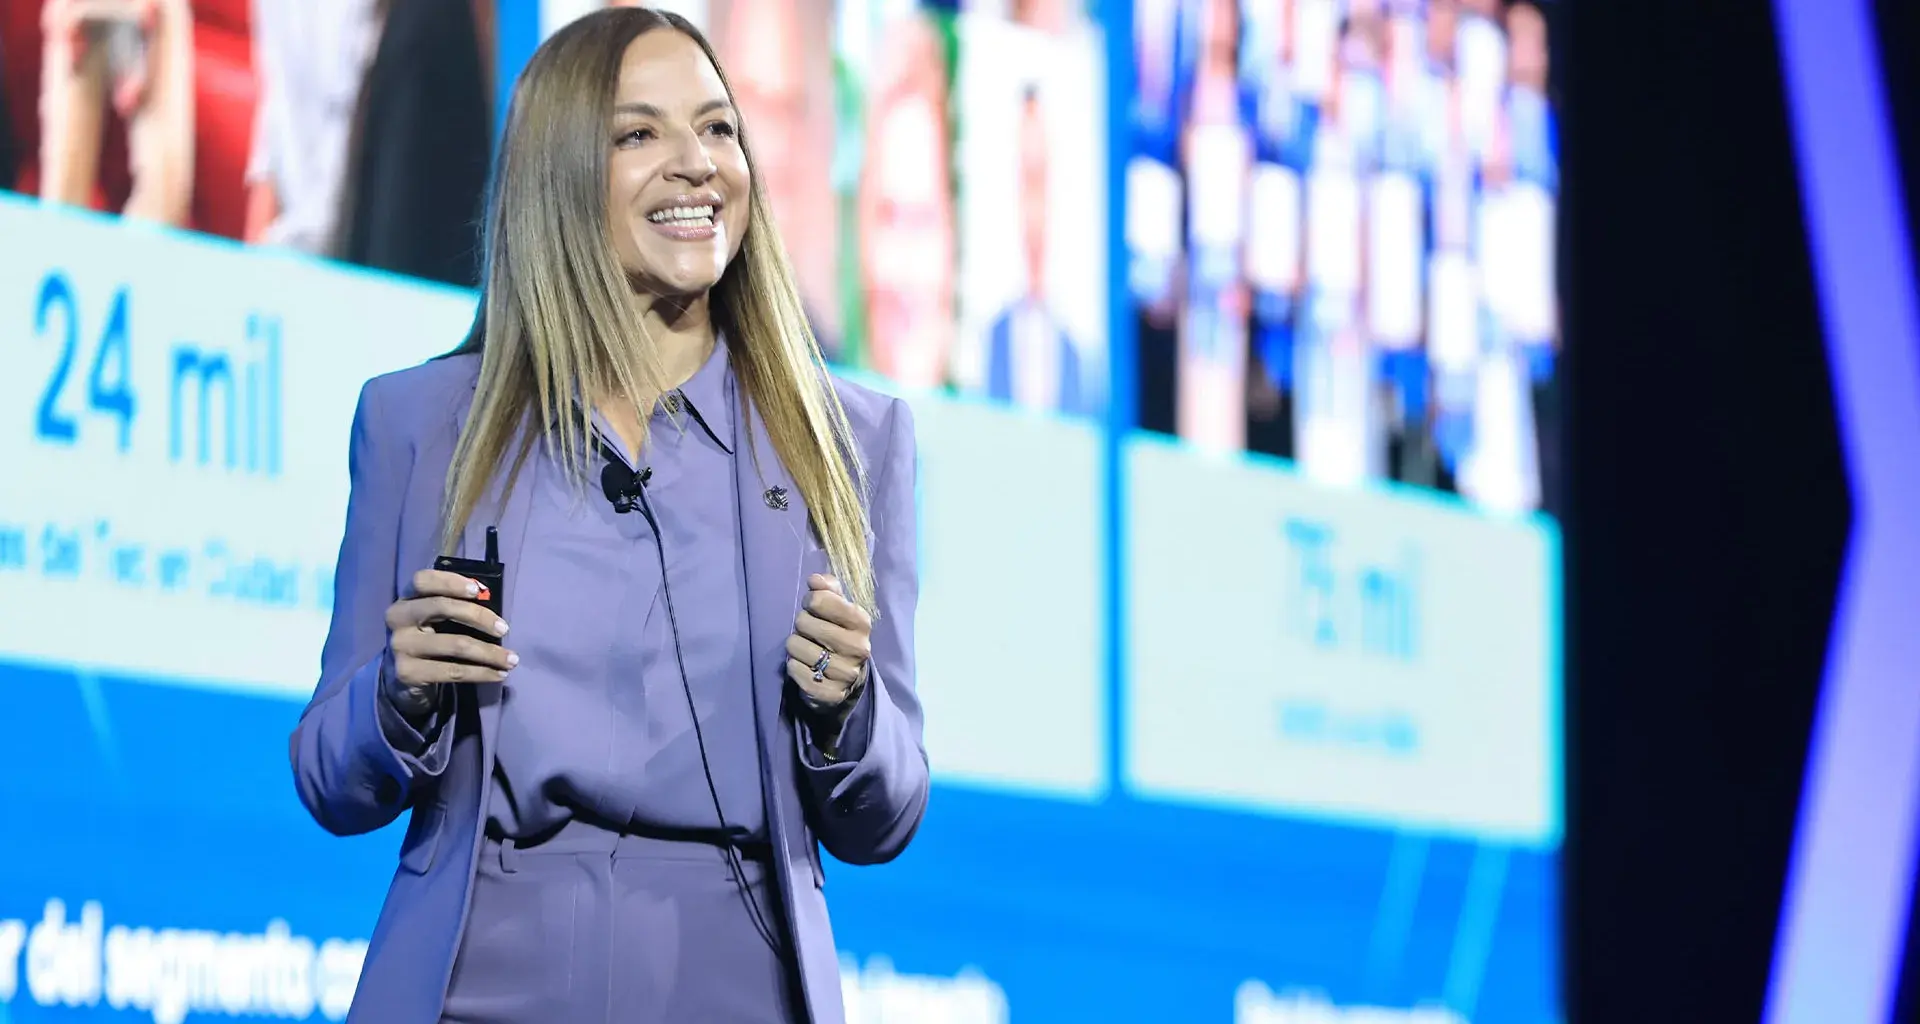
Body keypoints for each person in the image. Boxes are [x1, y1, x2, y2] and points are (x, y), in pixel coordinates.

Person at [289, 8, 928, 1024]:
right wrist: (395, 697)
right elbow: (328, 771)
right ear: (559, 172)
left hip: (736, 989)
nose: (696, 164)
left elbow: (887, 811)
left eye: (718, 129)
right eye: (640, 135)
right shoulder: (419, 425)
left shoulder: (850, 444)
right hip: (480, 988)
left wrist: (845, 713)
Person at [984, 87, 1086, 415]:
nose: (1033, 207)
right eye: (1024, 181)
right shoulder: (989, 340)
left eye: (1040, 180)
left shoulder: (1079, 353)